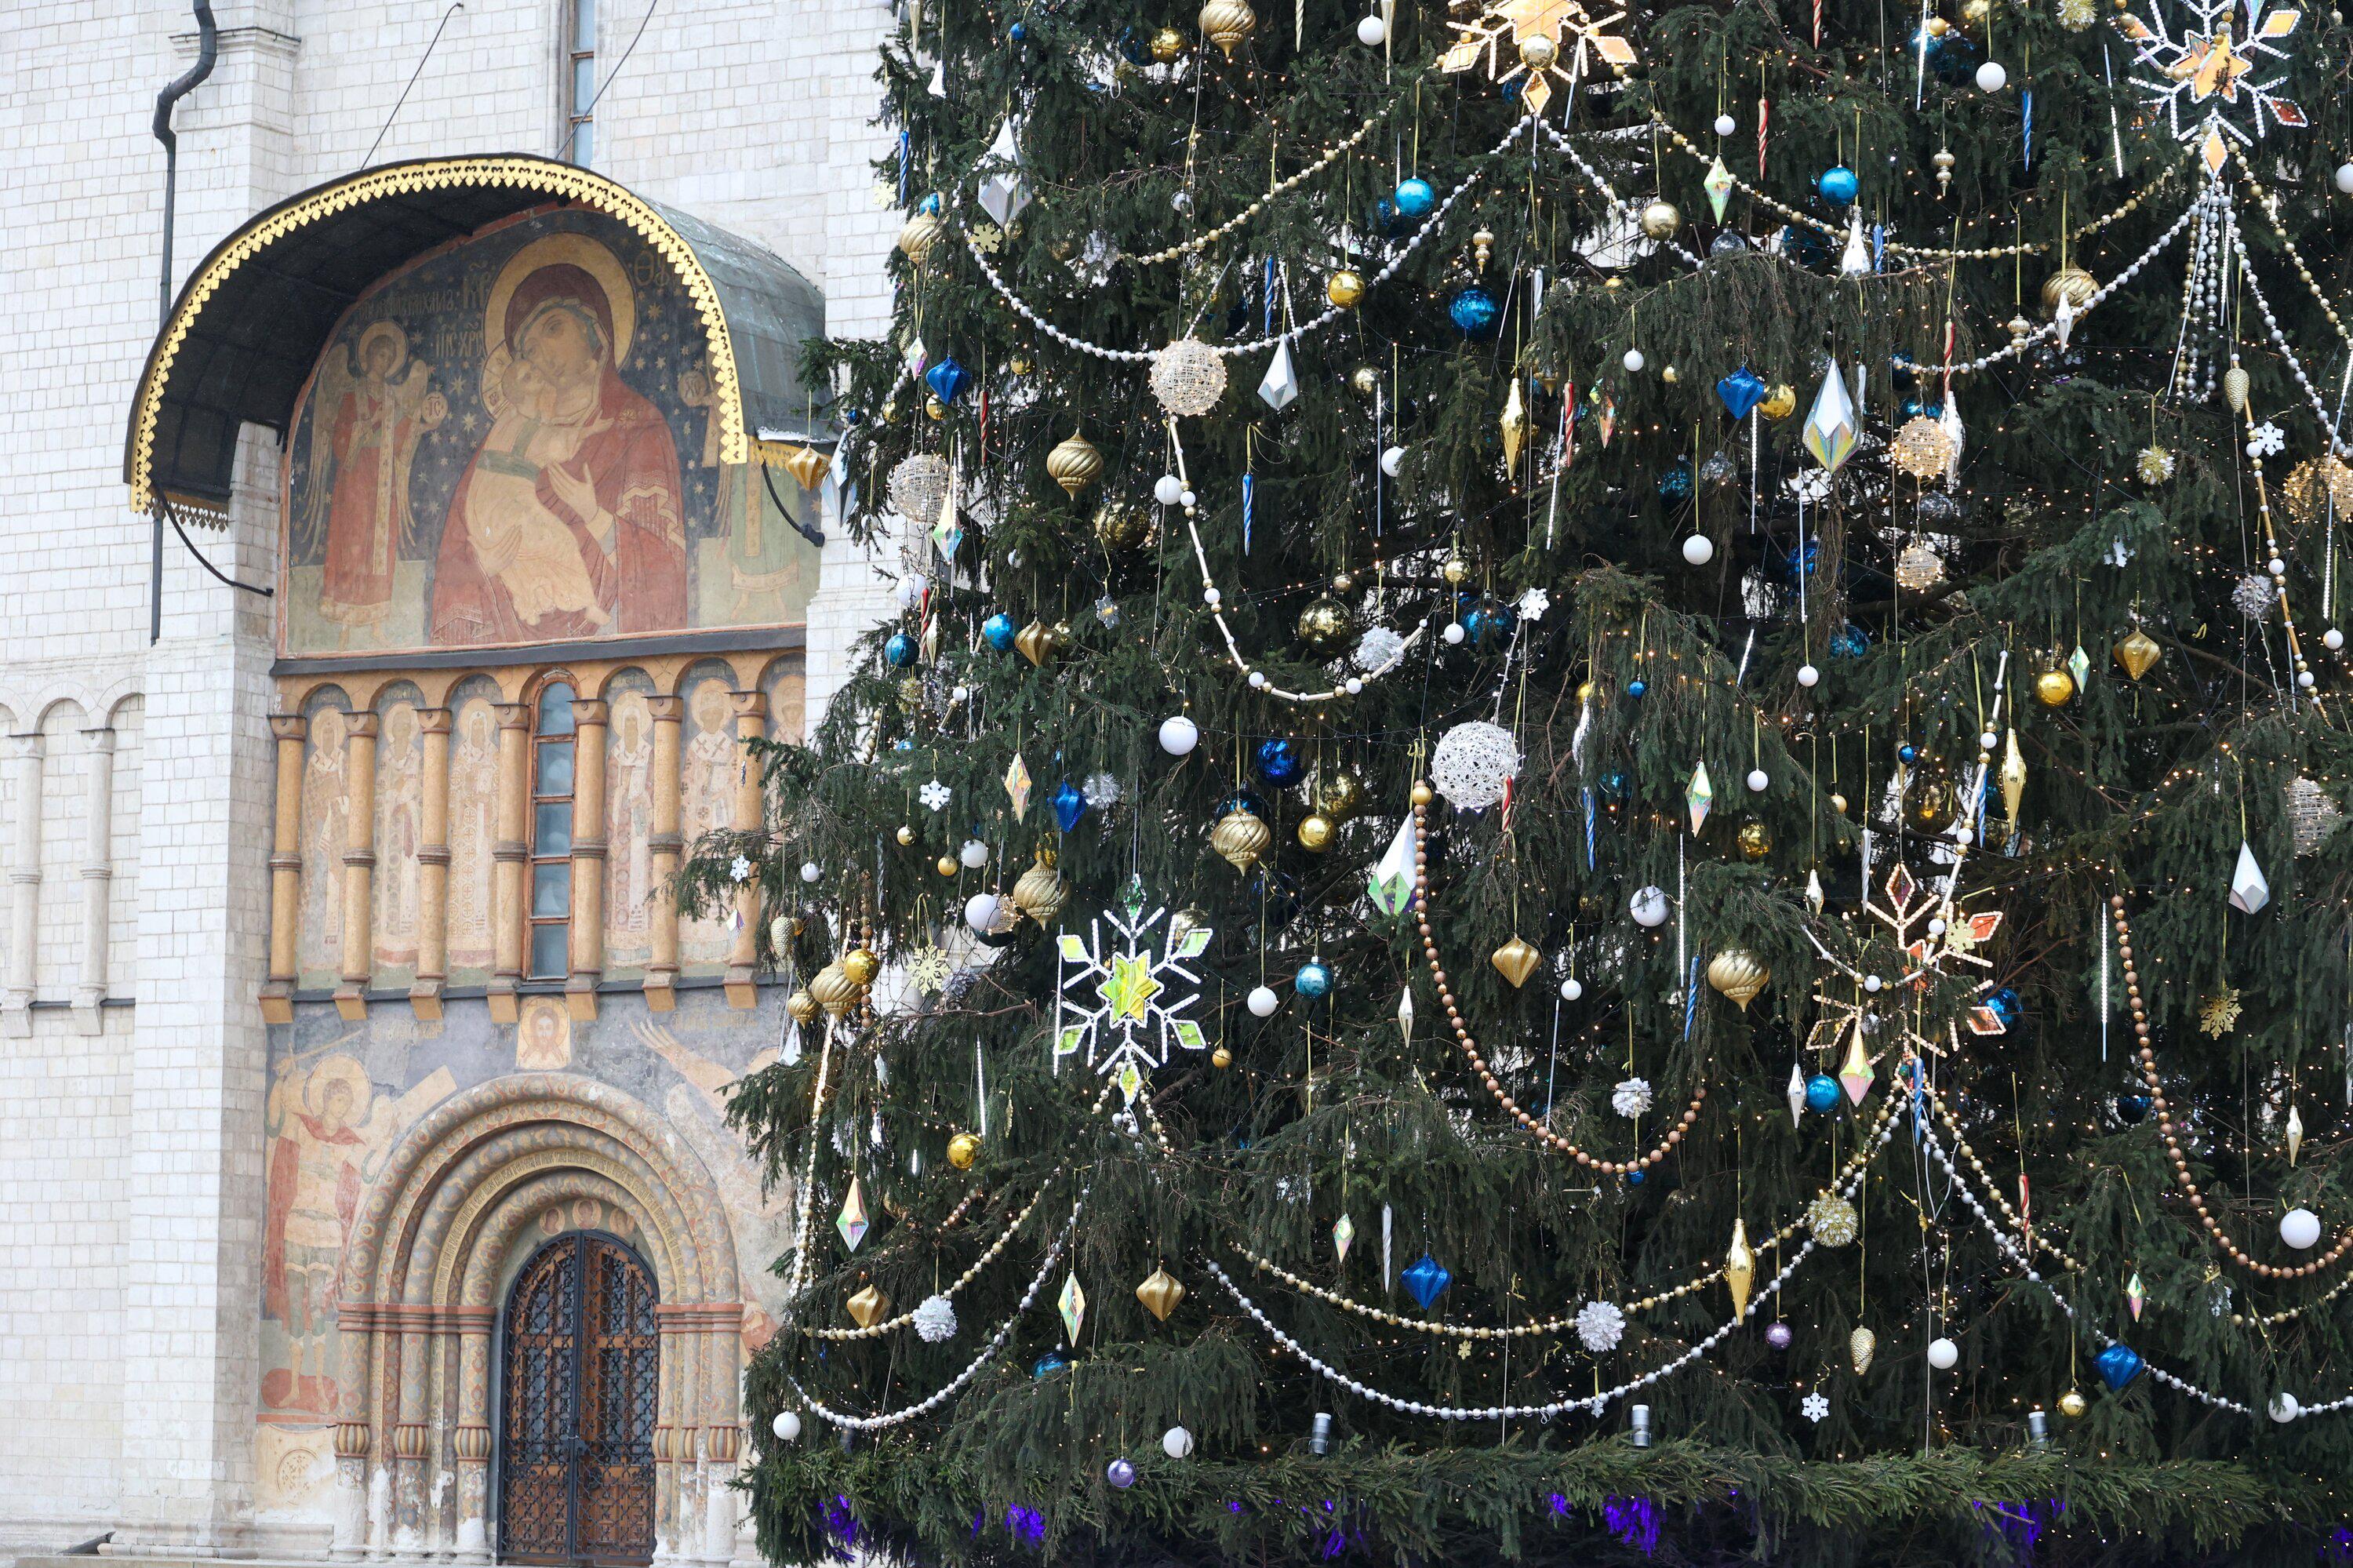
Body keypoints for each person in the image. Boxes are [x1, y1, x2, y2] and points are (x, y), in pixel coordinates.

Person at [429, 253, 687, 646]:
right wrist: (483, 566)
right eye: (529, 350)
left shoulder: (636, 428)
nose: (543, 355)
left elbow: (664, 565)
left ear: (594, 331)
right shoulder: (501, 442)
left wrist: (595, 516)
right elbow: (459, 549)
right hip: (506, 645)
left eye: (554, 328)